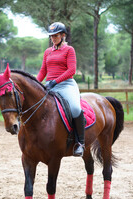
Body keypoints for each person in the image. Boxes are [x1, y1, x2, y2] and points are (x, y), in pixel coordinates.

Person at [37, 22, 85, 157]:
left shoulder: (69, 50)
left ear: (63, 35)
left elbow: (71, 70)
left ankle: (80, 143)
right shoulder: (48, 51)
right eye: (51, 36)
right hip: (49, 85)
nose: (53, 38)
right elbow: (43, 71)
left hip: (66, 84)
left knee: (75, 108)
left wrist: (55, 81)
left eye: (56, 35)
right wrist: (35, 83)